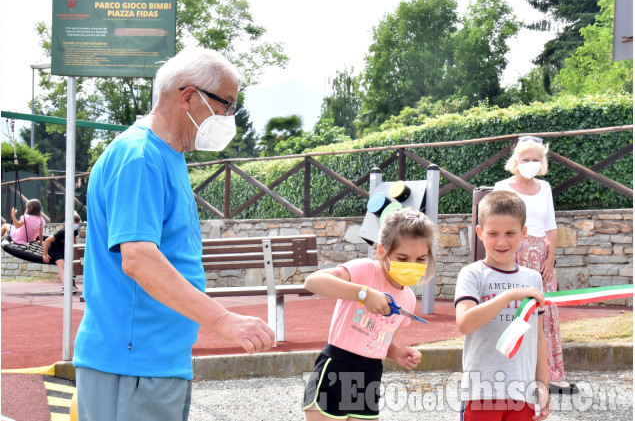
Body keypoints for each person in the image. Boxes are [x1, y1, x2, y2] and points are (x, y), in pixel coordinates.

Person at [73, 48, 275, 421]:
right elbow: (138, 259)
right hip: (132, 363)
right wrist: (225, 321)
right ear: (188, 97)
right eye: (226, 105)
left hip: (155, 361)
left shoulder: (165, 154)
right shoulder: (140, 158)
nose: (230, 117)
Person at [302, 207, 435, 420]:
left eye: (420, 259)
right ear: (382, 251)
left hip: (370, 374)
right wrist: (364, 293)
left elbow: (379, 336)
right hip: (336, 366)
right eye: (402, 257)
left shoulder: (408, 299)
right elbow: (313, 281)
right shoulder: (364, 270)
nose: (412, 265)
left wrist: (395, 352)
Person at [455, 190, 550, 421]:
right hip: (481, 392)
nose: (501, 241)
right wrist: (507, 296)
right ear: (479, 233)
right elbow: (465, 323)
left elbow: (538, 338)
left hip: (522, 392)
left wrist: (543, 386)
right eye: (493, 233)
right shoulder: (472, 275)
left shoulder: (532, 279)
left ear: (523, 233)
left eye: (510, 233)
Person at [494, 136, 576, 394]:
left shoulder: (545, 187)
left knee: (545, 313)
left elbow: (551, 227)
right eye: (525, 159)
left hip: (541, 259)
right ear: (515, 161)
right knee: (514, 311)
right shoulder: (502, 186)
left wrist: (550, 259)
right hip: (513, 254)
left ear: (542, 162)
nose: (530, 163)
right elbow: (497, 226)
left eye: (535, 159)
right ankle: (513, 372)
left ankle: (550, 373)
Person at [42, 211, 81, 293]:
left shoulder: (75, 230)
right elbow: (47, 240)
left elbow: (74, 241)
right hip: (54, 249)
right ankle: (65, 286)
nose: (76, 225)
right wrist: (45, 254)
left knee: (72, 263)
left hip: (63, 248)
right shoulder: (63, 231)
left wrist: (75, 252)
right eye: (74, 223)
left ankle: (72, 284)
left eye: (77, 224)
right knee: (61, 265)